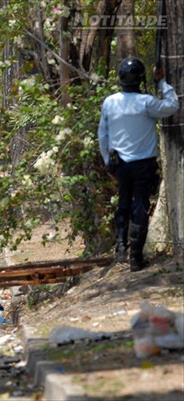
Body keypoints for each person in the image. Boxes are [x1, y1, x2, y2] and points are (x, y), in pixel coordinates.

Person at [97, 57, 179, 272]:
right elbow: (172, 106)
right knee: (140, 206)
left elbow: (103, 134)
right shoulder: (147, 102)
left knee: (123, 203)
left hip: (119, 163)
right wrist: (161, 83)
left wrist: (107, 160)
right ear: (140, 79)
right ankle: (135, 257)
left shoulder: (110, 102)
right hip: (144, 164)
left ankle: (121, 248)